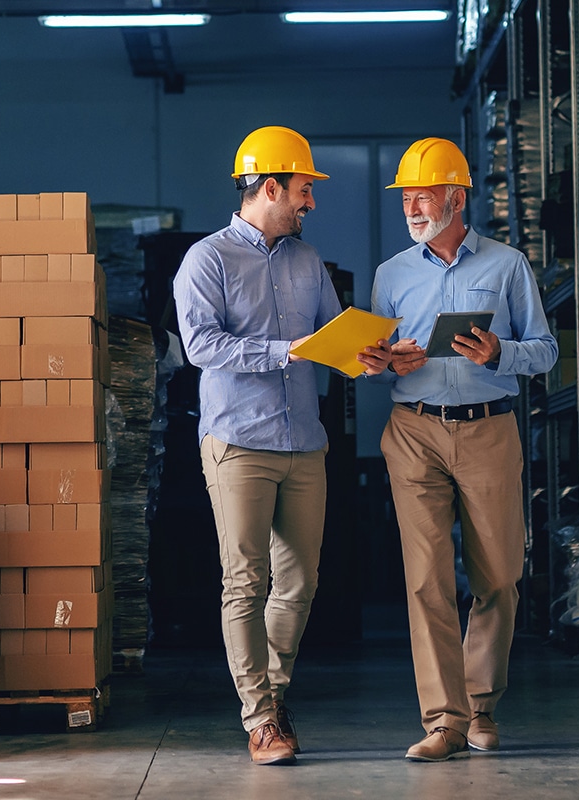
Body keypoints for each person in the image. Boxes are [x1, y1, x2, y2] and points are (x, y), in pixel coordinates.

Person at [173, 125, 391, 766]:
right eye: (303, 190)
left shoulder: (307, 262)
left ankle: (272, 695)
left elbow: (334, 341)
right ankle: (261, 718)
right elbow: (200, 347)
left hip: (305, 443)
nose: (310, 203)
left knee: (299, 581)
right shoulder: (206, 260)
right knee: (245, 581)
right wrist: (282, 350)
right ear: (269, 187)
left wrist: (373, 356)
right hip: (239, 442)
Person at [370, 137, 559, 762]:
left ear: (458, 197)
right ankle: (445, 721)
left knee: (499, 574)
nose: (413, 208)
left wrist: (499, 352)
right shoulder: (391, 275)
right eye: (407, 198)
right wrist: (385, 360)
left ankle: (483, 706)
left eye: (424, 197)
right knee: (426, 578)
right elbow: (374, 356)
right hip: (413, 429)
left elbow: (546, 349)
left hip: (488, 428)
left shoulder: (506, 266)